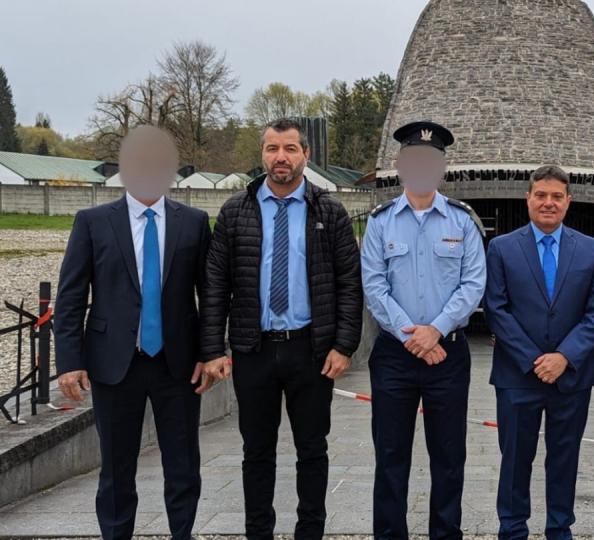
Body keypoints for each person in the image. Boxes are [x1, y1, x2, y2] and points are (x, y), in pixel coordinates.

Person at [200, 118, 364, 539]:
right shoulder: (236, 211)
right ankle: (260, 532)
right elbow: (216, 283)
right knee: (256, 452)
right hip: (253, 351)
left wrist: (344, 344)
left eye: (290, 149)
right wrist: (213, 348)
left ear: (306, 156)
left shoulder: (329, 210)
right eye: (273, 148)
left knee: (312, 450)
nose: (281, 157)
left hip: (311, 351)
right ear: (262, 155)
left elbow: (349, 282)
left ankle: (310, 532)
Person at [55, 125, 212, 539]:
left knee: (183, 466)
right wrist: (69, 362)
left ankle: (183, 533)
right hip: (113, 364)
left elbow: (211, 295)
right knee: (116, 469)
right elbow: (71, 297)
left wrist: (211, 352)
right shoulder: (92, 222)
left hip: (177, 366)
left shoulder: (193, 223)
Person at [360, 120, 486, 540]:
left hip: (447, 355)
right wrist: (413, 335)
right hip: (395, 356)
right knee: (391, 457)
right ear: (400, 164)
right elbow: (374, 286)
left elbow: (473, 284)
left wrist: (436, 330)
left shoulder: (463, 221)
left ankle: (445, 534)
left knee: (449, 458)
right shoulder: (380, 222)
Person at [484, 164, 594, 540]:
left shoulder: (591, 250)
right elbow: (496, 308)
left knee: (564, 459)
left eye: (557, 196)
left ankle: (559, 528)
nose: (548, 203)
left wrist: (564, 357)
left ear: (568, 202)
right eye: (541, 195)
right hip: (517, 375)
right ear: (528, 199)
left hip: (572, 376)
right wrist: (533, 359)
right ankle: (512, 528)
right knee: (515, 460)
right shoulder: (502, 248)